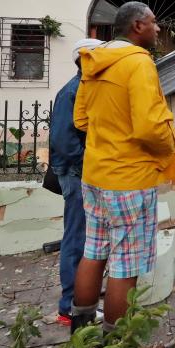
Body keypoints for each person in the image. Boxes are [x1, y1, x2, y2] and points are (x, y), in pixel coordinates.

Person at [69, 2, 175, 348]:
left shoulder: (94, 61)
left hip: (95, 174)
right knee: (126, 264)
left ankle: (81, 332)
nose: (158, 29)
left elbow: (82, 120)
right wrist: (166, 150)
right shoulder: (138, 63)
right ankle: (119, 346)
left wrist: (110, 135)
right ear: (137, 26)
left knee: (93, 251)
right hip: (129, 178)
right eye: (154, 23)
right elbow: (150, 125)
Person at [49, 38, 102, 325]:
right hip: (75, 173)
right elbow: (63, 142)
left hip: (81, 172)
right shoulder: (72, 92)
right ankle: (69, 305)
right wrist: (89, 162)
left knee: (86, 237)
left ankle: (82, 299)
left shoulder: (85, 89)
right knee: (77, 237)